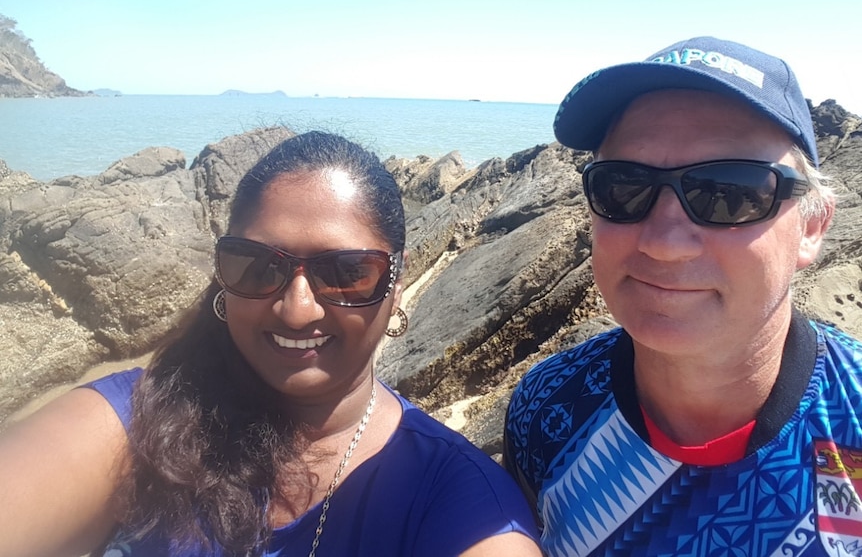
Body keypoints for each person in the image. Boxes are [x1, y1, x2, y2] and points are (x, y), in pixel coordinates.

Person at [0, 131, 542, 557]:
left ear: (394, 291)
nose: (297, 307)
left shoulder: (453, 499)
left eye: (347, 271)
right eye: (258, 266)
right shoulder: (134, 425)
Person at [504, 36, 862, 556]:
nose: (665, 243)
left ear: (812, 226)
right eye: (623, 187)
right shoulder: (548, 407)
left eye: (730, 193)